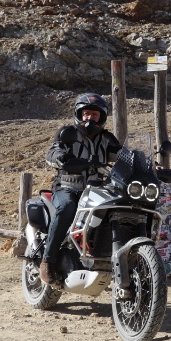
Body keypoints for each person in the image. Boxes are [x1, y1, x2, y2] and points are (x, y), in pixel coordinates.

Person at [40, 93, 121, 284]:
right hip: (68, 187)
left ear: (101, 117)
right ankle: (48, 261)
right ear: (79, 114)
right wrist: (61, 158)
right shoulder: (67, 133)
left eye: (94, 114)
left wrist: (149, 164)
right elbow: (53, 152)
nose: (89, 118)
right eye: (86, 114)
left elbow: (124, 156)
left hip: (96, 191)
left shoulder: (107, 139)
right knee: (67, 207)